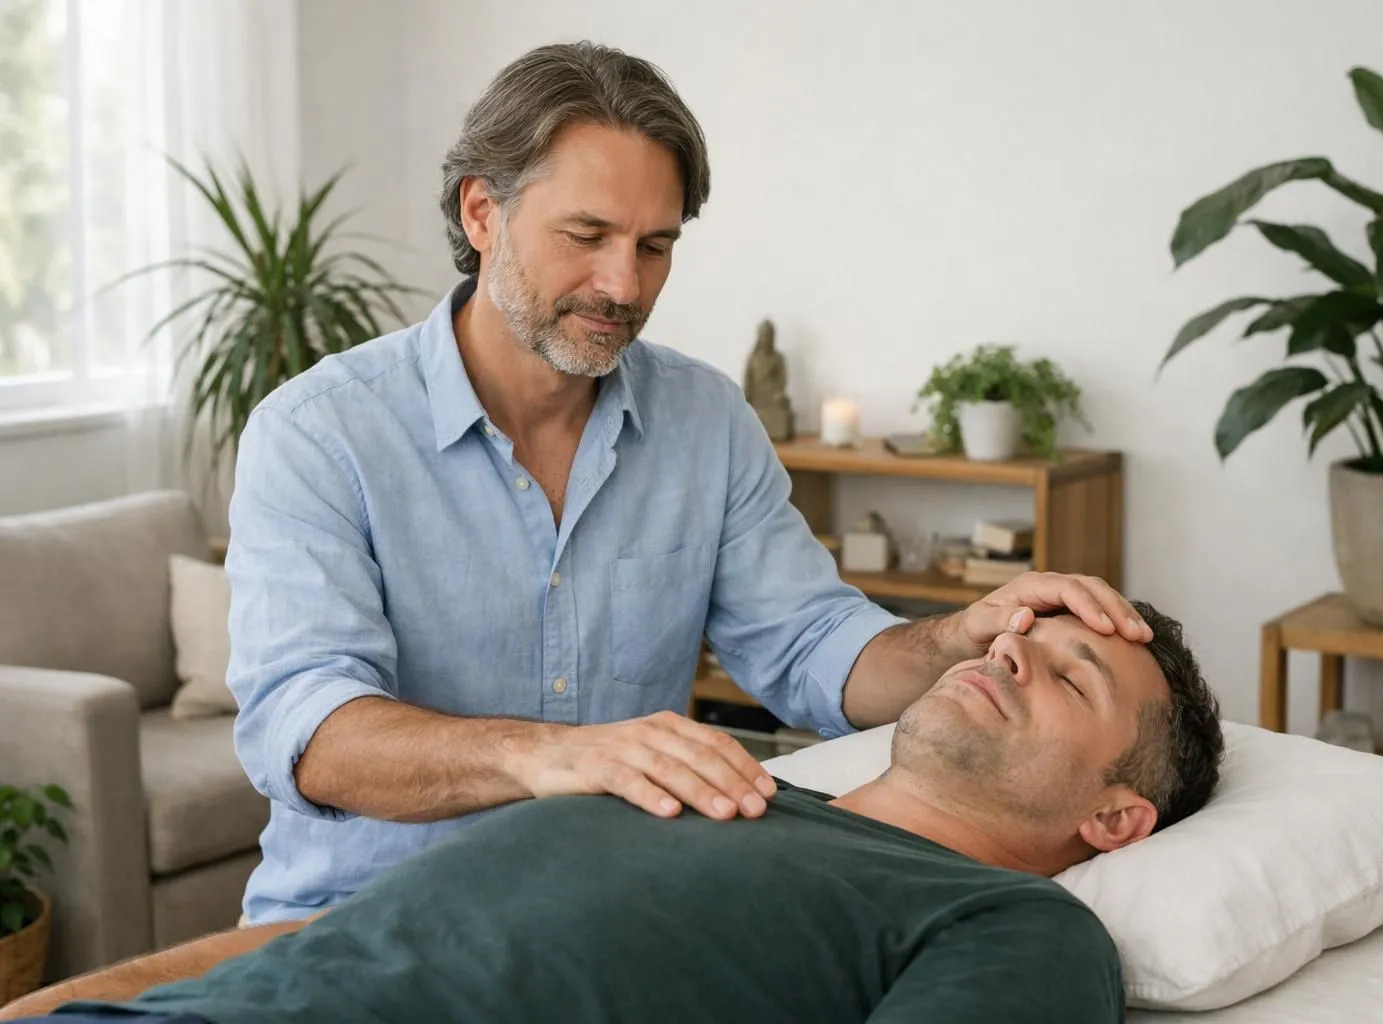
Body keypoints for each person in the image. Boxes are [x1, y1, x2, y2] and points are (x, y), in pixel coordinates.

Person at [221, 35, 1156, 926]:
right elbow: (313, 737)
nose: (624, 286)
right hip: (358, 927)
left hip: (614, 924)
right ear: (481, 212)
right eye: (586, 234)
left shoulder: (704, 419)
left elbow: (813, 649)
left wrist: (961, 634)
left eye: (656, 246)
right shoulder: (320, 434)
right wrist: (555, 756)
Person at [2, 601, 1224, 1024]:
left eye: (1070, 676)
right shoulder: (704, 767)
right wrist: (83, 992)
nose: (1013, 653)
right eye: (1021, 636)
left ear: (1117, 819)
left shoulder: (1009, 926)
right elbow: (356, 934)